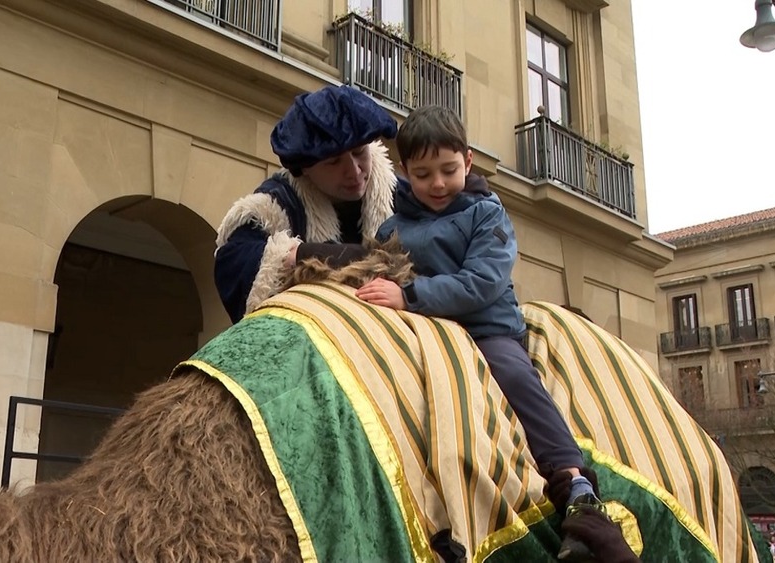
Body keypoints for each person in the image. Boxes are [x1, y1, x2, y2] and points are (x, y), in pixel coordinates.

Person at [354, 104, 607, 561]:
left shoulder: (487, 213)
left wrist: (409, 296)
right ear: (405, 172)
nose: (436, 183)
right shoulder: (392, 227)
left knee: (514, 374)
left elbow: (482, 282)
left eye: (448, 170)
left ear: (467, 162)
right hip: (424, 333)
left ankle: (575, 481)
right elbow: (377, 270)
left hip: (485, 330)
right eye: (423, 173)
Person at [214, 84, 399, 322]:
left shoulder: (401, 196)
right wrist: (294, 256)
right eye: (334, 162)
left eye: (359, 152)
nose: (353, 171)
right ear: (305, 169)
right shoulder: (273, 207)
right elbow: (235, 262)